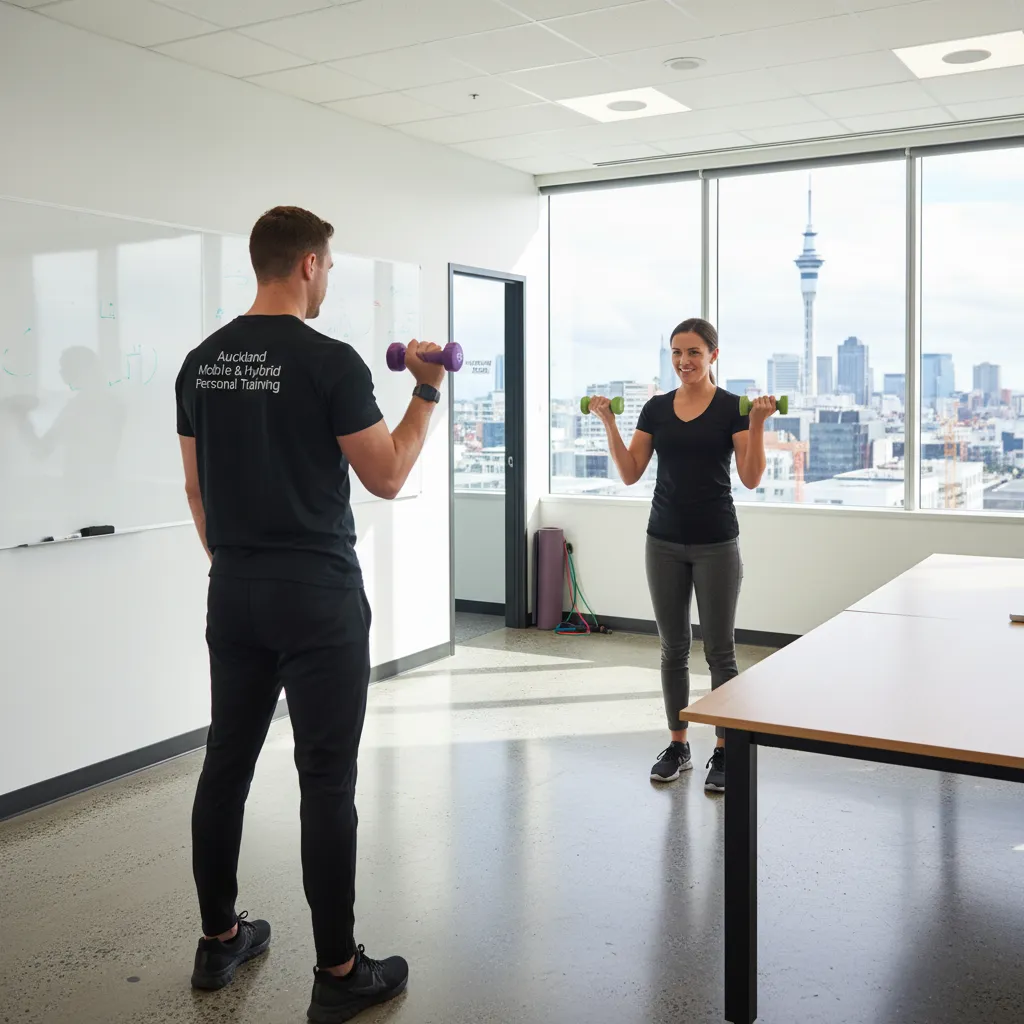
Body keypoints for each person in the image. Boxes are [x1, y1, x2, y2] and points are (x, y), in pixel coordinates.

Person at [175, 206, 445, 1022]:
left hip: (235, 588)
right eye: (328, 266)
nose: (327, 279)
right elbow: (387, 475)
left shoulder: (200, 362)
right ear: (308, 266)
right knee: (326, 780)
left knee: (226, 765)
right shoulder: (330, 361)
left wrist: (235, 566)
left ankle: (219, 940)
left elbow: (196, 489)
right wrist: (426, 390)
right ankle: (339, 973)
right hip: (318, 597)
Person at [586, 318, 774, 794]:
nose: (684, 361)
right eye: (676, 352)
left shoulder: (732, 407)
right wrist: (610, 423)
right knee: (672, 649)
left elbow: (751, 478)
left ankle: (725, 749)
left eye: (693, 352)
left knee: (720, 652)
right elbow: (630, 472)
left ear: (713, 355)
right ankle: (678, 746)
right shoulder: (655, 408)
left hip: (717, 543)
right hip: (663, 541)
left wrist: (756, 424)